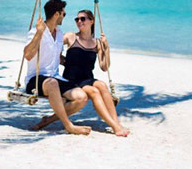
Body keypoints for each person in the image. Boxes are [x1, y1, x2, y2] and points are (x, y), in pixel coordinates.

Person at [35, 9, 130, 137]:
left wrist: (107, 48)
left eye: (83, 19)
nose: (79, 21)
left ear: (91, 21)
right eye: (77, 19)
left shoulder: (97, 43)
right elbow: (53, 47)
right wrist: (63, 61)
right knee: (95, 91)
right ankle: (115, 127)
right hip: (72, 80)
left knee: (102, 85)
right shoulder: (70, 37)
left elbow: (104, 67)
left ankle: (116, 122)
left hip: (87, 78)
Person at [23, 0, 91, 135]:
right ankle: (69, 126)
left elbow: (58, 57)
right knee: (52, 83)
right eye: (63, 14)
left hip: (55, 78)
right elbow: (28, 55)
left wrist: (78, 63)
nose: (64, 17)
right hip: (35, 80)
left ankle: (47, 121)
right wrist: (39, 33)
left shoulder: (60, 34)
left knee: (81, 97)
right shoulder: (35, 32)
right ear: (56, 14)